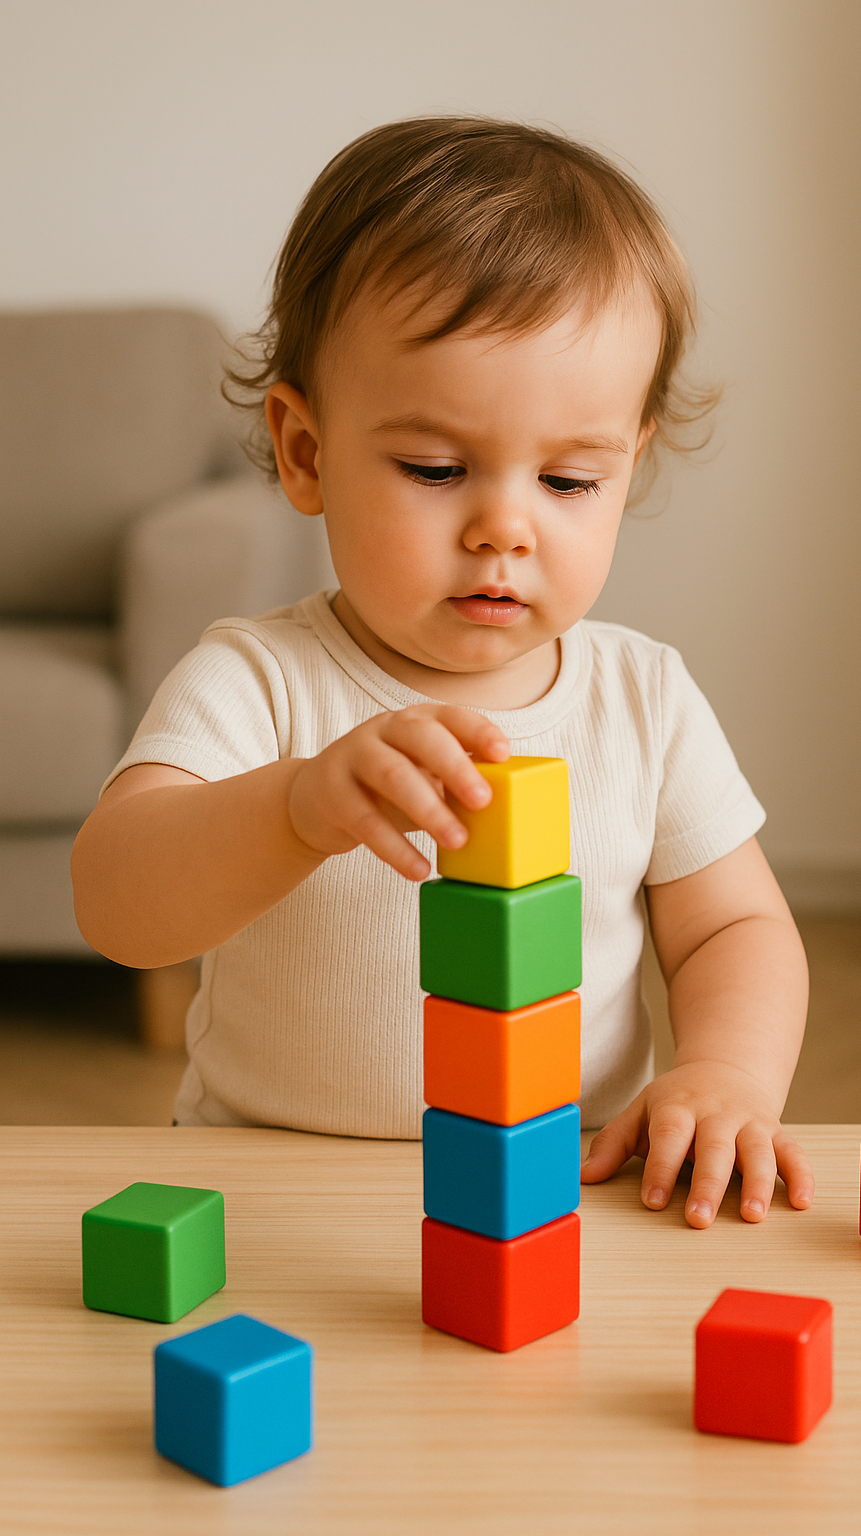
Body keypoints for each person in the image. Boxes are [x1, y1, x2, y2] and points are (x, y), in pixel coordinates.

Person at [72, 116, 813, 1229]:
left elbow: (732, 930)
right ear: (305, 451)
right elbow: (120, 906)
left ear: (630, 469)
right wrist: (295, 805)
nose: (503, 529)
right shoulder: (260, 680)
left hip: (558, 1194)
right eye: (435, 467)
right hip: (272, 1199)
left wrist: (729, 1073)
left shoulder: (642, 697)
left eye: (568, 482)